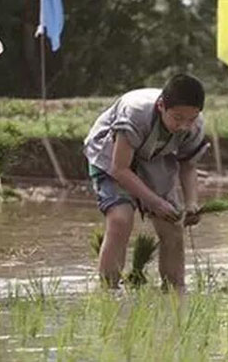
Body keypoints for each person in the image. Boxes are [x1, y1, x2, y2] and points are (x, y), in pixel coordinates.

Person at [83, 73, 208, 292]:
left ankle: (175, 293)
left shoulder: (194, 126)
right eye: (178, 118)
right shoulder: (136, 113)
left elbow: (188, 166)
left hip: (155, 158)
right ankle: (108, 293)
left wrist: (191, 203)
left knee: (173, 226)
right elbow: (120, 169)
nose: (184, 126)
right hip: (111, 156)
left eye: (191, 119)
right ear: (161, 106)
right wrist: (154, 202)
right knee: (120, 219)